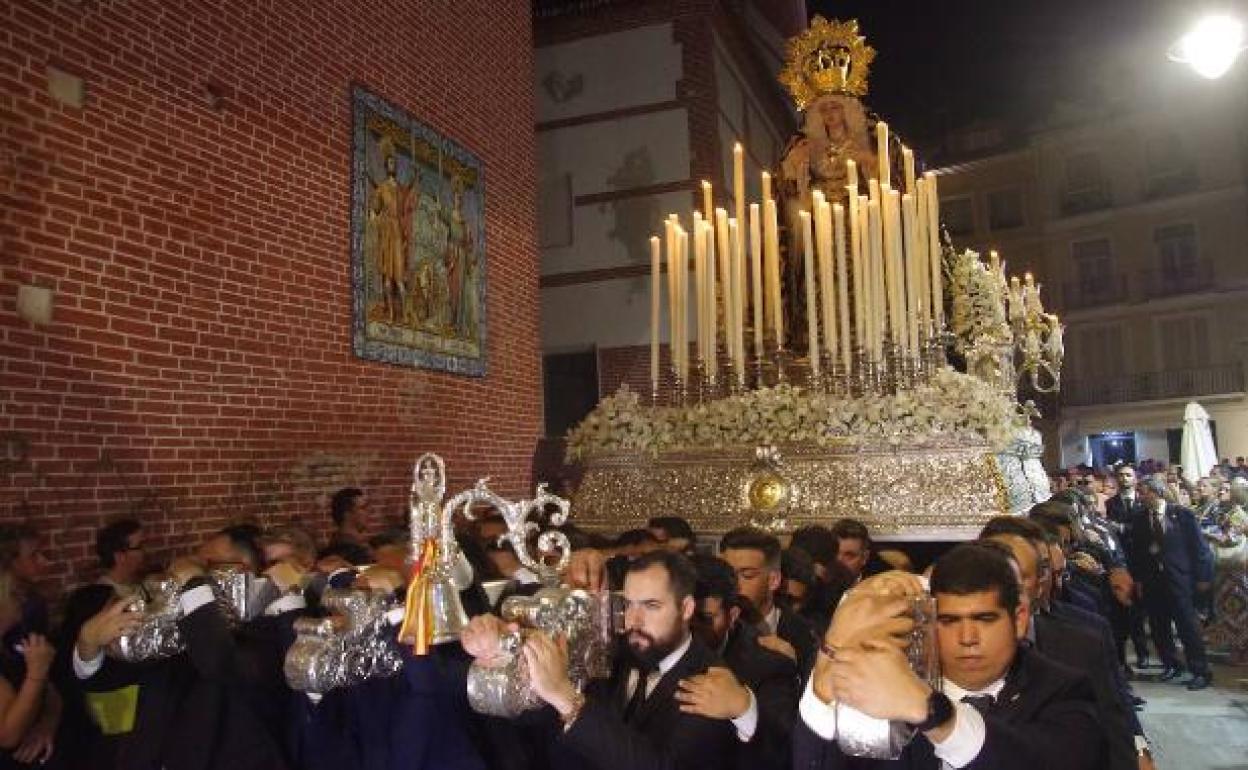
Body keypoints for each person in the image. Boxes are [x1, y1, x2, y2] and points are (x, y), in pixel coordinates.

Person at [794, 544, 1107, 770]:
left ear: (1020, 618)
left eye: (985, 620)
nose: (967, 639)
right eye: (948, 621)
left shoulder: (1063, 690)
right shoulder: (885, 689)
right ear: (927, 620)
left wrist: (933, 712)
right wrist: (831, 656)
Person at [510, 550, 736, 770]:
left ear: (686, 608)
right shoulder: (610, 650)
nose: (633, 621)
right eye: (628, 605)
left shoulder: (713, 679)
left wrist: (568, 700)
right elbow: (533, 722)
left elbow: (662, 765)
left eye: (651, 606)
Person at [682, 555, 798, 770]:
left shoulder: (770, 666)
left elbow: (783, 750)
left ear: (732, 615)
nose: (691, 628)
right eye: (684, 616)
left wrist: (745, 710)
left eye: (705, 619)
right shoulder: (648, 653)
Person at [54, 518, 147, 768]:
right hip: (115, 716)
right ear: (119, 555)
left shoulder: (144, 588)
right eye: (140, 547)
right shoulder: (93, 601)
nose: (145, 553)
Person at [1129, 476, 1215, 690]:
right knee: (1159, 627)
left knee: (1188, 627)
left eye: (1144, 491)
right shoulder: (1140, 519)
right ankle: (1171, 665)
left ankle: (1200, 670)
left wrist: (1204, 578)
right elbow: (1137, 553)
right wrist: (1139, 579)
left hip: (1180, 580)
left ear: (1156, 492)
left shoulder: (1182, 515)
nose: (1140, 496)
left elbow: (1200, 548)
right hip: (1153, 583)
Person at [719, 527, 818, 671]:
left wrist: (793, 667)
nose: (734, 585)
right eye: (727, 574)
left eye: (747, 575)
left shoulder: (805, 637)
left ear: (774, 580)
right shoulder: (705, 628)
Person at [0, 570, 57, 770]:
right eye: (14, 594)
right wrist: (36, 674)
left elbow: (52, 693)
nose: (22, 599)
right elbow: (7, 736)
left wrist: (46, 724)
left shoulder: (14, 640)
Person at [325, 487, 375, 565]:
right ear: (347, 514)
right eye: (363, 508)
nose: (369, 512)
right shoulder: (349, 550)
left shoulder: (358, 545)